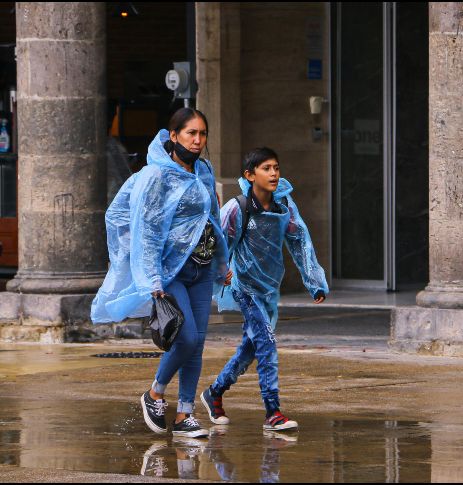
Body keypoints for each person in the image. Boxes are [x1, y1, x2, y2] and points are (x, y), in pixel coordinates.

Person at [91, 108, 228, 438]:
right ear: (174, 135)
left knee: (197, 345)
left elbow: (212, 218)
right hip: (170, 272)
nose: (197, 140)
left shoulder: (204, 171)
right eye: (191, 133)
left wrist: (223, 262)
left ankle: (184, 416)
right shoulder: (157, 176)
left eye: (202, 134)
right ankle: (154, 394)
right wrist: (151, 276)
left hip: (202, 268)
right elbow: (147, 229)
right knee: (187, 337)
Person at [200, 147, 328, 432]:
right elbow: (217, 242)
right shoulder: (238, 207)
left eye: (276, 168)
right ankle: (273, 411)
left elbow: (300, 241)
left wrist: (314, 282)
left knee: (251, 347)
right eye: (266, 168)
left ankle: (215, 392)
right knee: (267, 345)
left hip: (270, 289)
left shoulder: (284, 207)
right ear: (250, 174)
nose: (273, 173)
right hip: (245, 288)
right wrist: (221, 272)